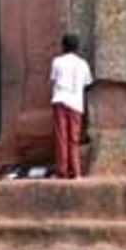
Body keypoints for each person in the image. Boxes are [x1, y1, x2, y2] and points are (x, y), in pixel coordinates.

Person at [49, 32, 92, 179]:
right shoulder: (83, 64)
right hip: (76, 103)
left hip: (60, 100)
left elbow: (53, 81)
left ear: (63, 46)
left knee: (61, 137)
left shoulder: (57, 61)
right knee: (74, 138)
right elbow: (87, 84)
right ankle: (76, 172)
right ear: (77, 47)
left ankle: (62, 171)